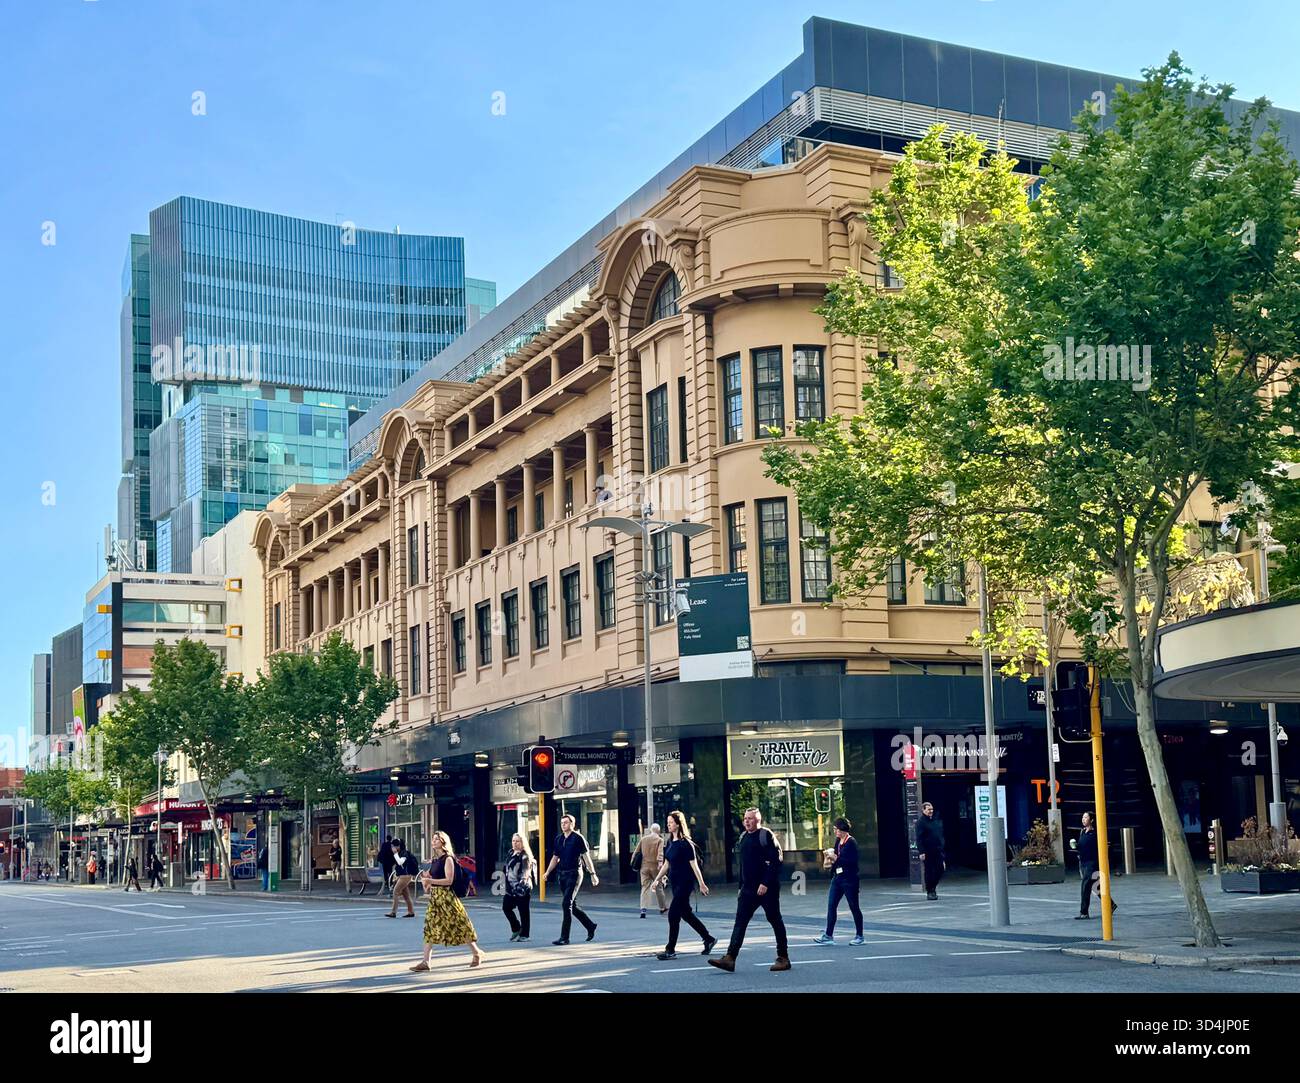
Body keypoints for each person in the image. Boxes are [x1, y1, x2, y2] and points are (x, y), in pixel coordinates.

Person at [709, 808, 789, 973]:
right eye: (745, 818)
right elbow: (743, 866)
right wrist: (741, 887)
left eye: (750, 819)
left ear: (757, 820)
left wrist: (765, 883)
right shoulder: (743, 837)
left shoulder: (765, 835)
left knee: (775, 920)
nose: (746, 821)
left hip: (767, 889)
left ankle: (783, 958)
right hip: (748, 889)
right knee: (740, 922)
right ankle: (730, 958)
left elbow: (777, 861)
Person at [409, 831, 483, 971]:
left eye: (437, 839)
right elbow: (431, 878)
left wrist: (430, 880)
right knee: (429, 928)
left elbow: (449, 880)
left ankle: (476, 952)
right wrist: (426, 881)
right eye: (433, 839)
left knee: (460, 926)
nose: (434, 841)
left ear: (443, 842)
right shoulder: (435, 860)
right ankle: (426, 962)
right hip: (436, 898)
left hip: (447, 898)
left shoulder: (448, 859)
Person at [651, 810, 715, 960]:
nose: (668, 825)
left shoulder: (686, 843)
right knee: (686, 914)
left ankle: (670, 949)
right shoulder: (669, 842)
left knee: (673, 914)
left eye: (671, 822)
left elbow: (694, 865)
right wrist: (657, 879)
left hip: (685, 884)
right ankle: (709, 939)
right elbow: (667, 864)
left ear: (679, 824)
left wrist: (702, 884)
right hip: (675, 883)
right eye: (668, 822)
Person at [542, 814, 599, 944]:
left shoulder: (578, 838)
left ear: (572, 824)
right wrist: (547, 872)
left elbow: (586, 857)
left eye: (566, 823)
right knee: (571, 905)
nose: (563, 825)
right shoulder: (558, 839)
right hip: (562, 874)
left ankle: (564, 937)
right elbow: (555, 858)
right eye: (562, 823)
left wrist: (593, 873)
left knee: (566, 904)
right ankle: (590, 926)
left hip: (575, 873)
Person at [813, 817, 864, 945]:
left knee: (854, 906)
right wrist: (830, 860)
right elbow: (836, 856)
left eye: (836, 829)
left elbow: (848, 861)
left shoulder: (851, 842)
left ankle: (859, 935)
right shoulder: (838, 841)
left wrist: (834, 857)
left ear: (842, 830)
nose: (835, 831)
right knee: (831, 905)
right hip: (838, 878)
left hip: (849, 879)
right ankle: (828, 935)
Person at [1074, 812, 1117, 919]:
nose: (1083, 819)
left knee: (1085, 886)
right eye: (1082, 817)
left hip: (1092, 862)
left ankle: (1084, 912)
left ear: (1091, 820)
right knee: (1096, 886)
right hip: (1084, 862)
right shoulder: (1082, 832)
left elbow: (1105, 845)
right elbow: (1082, 846)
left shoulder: (1097, 832)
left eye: (1086, 817)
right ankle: (1110, 904)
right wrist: (1076, 847)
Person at [502, 833, 537, 941]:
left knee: (523, 911)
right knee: (506, 907)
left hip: (522, 888)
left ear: (523, 843)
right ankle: (516, 928)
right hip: (510, 887)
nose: (515, 843)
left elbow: (526, 871)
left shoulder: (525, 855)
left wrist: (521, 883)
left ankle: (525, 935)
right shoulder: (510, 853)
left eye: (517, 841)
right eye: (513, 841)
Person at [636, 823, 667, 919]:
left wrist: (633, 863)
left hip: (644, 867)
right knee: (659, 886)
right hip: (655, 867)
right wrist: (660, 863)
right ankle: (662, 908)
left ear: (650, 830)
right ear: (659, 830)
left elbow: (637, 852)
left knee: (645, 887)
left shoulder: (643, 839)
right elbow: (660, 853)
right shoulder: (660, 840)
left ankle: (643, 909)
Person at [916, 802, 945, 901]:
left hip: (938, 850)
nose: (931, 811)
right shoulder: (921, 822)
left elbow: (939, 834)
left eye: (932, 809)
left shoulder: (935, 820)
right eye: (928, 809)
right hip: (927, 851)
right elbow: (919, 838)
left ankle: (933, 886)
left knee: (940, 869)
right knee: (929, 871)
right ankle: (930, 891)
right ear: (923, 810)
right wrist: (921, 851)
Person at [386, 838, 419, 918]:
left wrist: (395, 853)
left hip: (405, 875)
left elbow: (400, 862)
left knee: (395, 892)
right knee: (406, 895)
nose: (392, 848)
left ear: (398, 846)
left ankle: (393, 912)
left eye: (393, 846)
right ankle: (411, 912)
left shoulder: (404, 853)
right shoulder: (400, 852)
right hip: (402, 875)